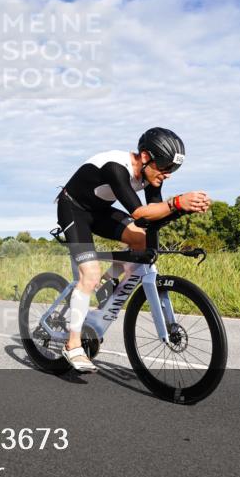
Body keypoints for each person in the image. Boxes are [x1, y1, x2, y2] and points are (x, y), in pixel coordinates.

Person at [55, 127, 211, 373]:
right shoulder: (116, 167)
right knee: (89, 275)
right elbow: (139, 214)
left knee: (140, 240)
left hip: (99, 212)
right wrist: (178, 202)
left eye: (173, 169)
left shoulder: (151, 177)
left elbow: (153, 219)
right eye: (165, 167)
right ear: (146, 156)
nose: (168, 175)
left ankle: (109, 282)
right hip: (73, 209)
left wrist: (182, 208)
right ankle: (72, 345)